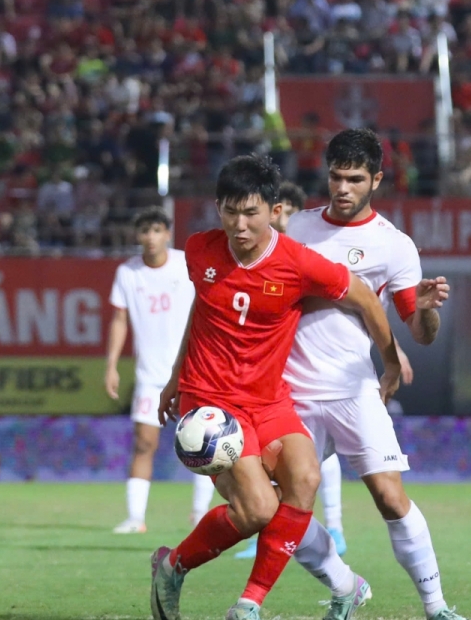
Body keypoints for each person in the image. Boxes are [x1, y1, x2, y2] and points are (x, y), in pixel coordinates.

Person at [149, 155, 402, 620]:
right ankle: (172, 566)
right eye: (229, 211)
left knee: (305, 478)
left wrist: (390, 360)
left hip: (269, 401)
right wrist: (174, 377)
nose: (239, 225)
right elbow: (203, 312)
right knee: (258, 509)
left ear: (274, 210)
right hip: (211, 404)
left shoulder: (298, 263)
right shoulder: (201, 250)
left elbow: (365, 297)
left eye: (250, 212)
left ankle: (251, 602)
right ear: (217, 208)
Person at [284, 129, 464, 620]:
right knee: (277, 511)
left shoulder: (394, 246)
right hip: (292, 393)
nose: (342, 188)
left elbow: (421, 333)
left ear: (377, 180)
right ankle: (346, 584)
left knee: (389, 495)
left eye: (355, 179)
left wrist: (426, 310)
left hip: (353, 390)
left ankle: (436, 606)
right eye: (336, 177)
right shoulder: (295, 229)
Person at [237, 181, 350, 560]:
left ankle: (333, 524)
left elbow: (350, 303)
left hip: (308, 370)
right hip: (271, 375)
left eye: (286, 212)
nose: (281, 218)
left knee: (313, 458)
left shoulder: (304, 257)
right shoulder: (253, 256)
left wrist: (393, 348)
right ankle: (273, 524)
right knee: (285, 460)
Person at [105, 208, 214, 534]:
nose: (150, 237)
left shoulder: (185, 264)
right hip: (150, 377)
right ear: (137, 236)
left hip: (191, 371)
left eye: (156, 230)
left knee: (203, 444)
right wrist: (111, 365)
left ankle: (199, 514)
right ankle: (135, 518)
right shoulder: (128, 272)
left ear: (167, 233)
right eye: (144, 231)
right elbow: (120, 319)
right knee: (144, 443)